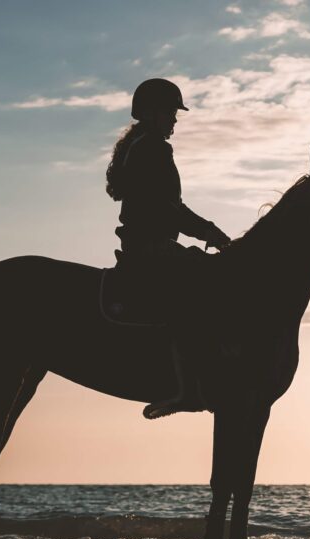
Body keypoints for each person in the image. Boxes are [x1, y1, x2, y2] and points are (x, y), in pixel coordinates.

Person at [105, 78, 231, 419]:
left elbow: (168, 206)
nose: (175, 120)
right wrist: (211, 233)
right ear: (151, 113)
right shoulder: (153, 148)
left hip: (144, 243)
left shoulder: (141, 145)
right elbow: (168, 209)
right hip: (151, 246)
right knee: (204, 284)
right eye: (170, 113)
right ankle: (187, 389)